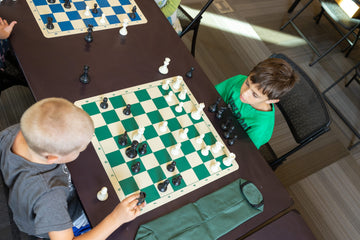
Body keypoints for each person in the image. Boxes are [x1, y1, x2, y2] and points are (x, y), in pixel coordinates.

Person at [0, 98, 145, 239]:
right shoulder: (50, 197)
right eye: (79, 150)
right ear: (52, 158)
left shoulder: (17, 132)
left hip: (30, 202)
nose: (82, 150)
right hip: (47, 223)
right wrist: (116, 218)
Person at [215, 58, 297, 149]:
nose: (245, 93)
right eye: (247, 83)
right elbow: (212, 97)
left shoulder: (261, 126)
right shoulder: (238, 80)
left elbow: (242, 150)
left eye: (255, 95)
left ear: (271, 100)